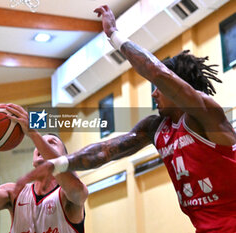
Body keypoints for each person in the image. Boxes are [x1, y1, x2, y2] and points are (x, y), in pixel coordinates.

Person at [15, 5, 236, 233]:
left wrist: (114, 36)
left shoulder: (206, 114)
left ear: (175, 86)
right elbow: (106, 151)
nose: (153, 94)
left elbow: (157, 72)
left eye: (158, 88)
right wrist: (59, 163)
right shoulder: (156, 128)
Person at [0, 104, 88, 233]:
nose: (42, 146)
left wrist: (33, 134)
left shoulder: (68, 195)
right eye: (39, 144)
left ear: (64, 157)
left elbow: (77, 189)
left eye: (51, 143)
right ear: (33, 160)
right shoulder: (15, 193)